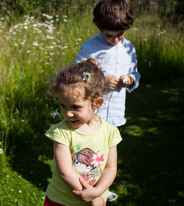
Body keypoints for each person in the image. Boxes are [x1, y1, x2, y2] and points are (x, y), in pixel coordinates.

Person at [75, 0, 141, 201]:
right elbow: (78, 74)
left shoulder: (129, 48)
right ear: (99, 27)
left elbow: (135, 73)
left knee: (107, 154)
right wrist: (101, 80)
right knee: (89, 153)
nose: (114, 40)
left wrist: (130, 79)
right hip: (94, 113)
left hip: (115, 112)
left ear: (127, 28)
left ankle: (102, 189)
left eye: (119, 35)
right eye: (109, 35)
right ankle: (84, 187)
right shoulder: (90, 47)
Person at [44, 58, 122, 206]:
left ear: (96, 103)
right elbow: (65, 172)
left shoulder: (110, 131)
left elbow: (110, 168)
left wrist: (98, 191)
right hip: (62, 200)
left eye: (75, 107)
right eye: (63, 105)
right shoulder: (61, 132)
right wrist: (93, 197)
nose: (67, 113)